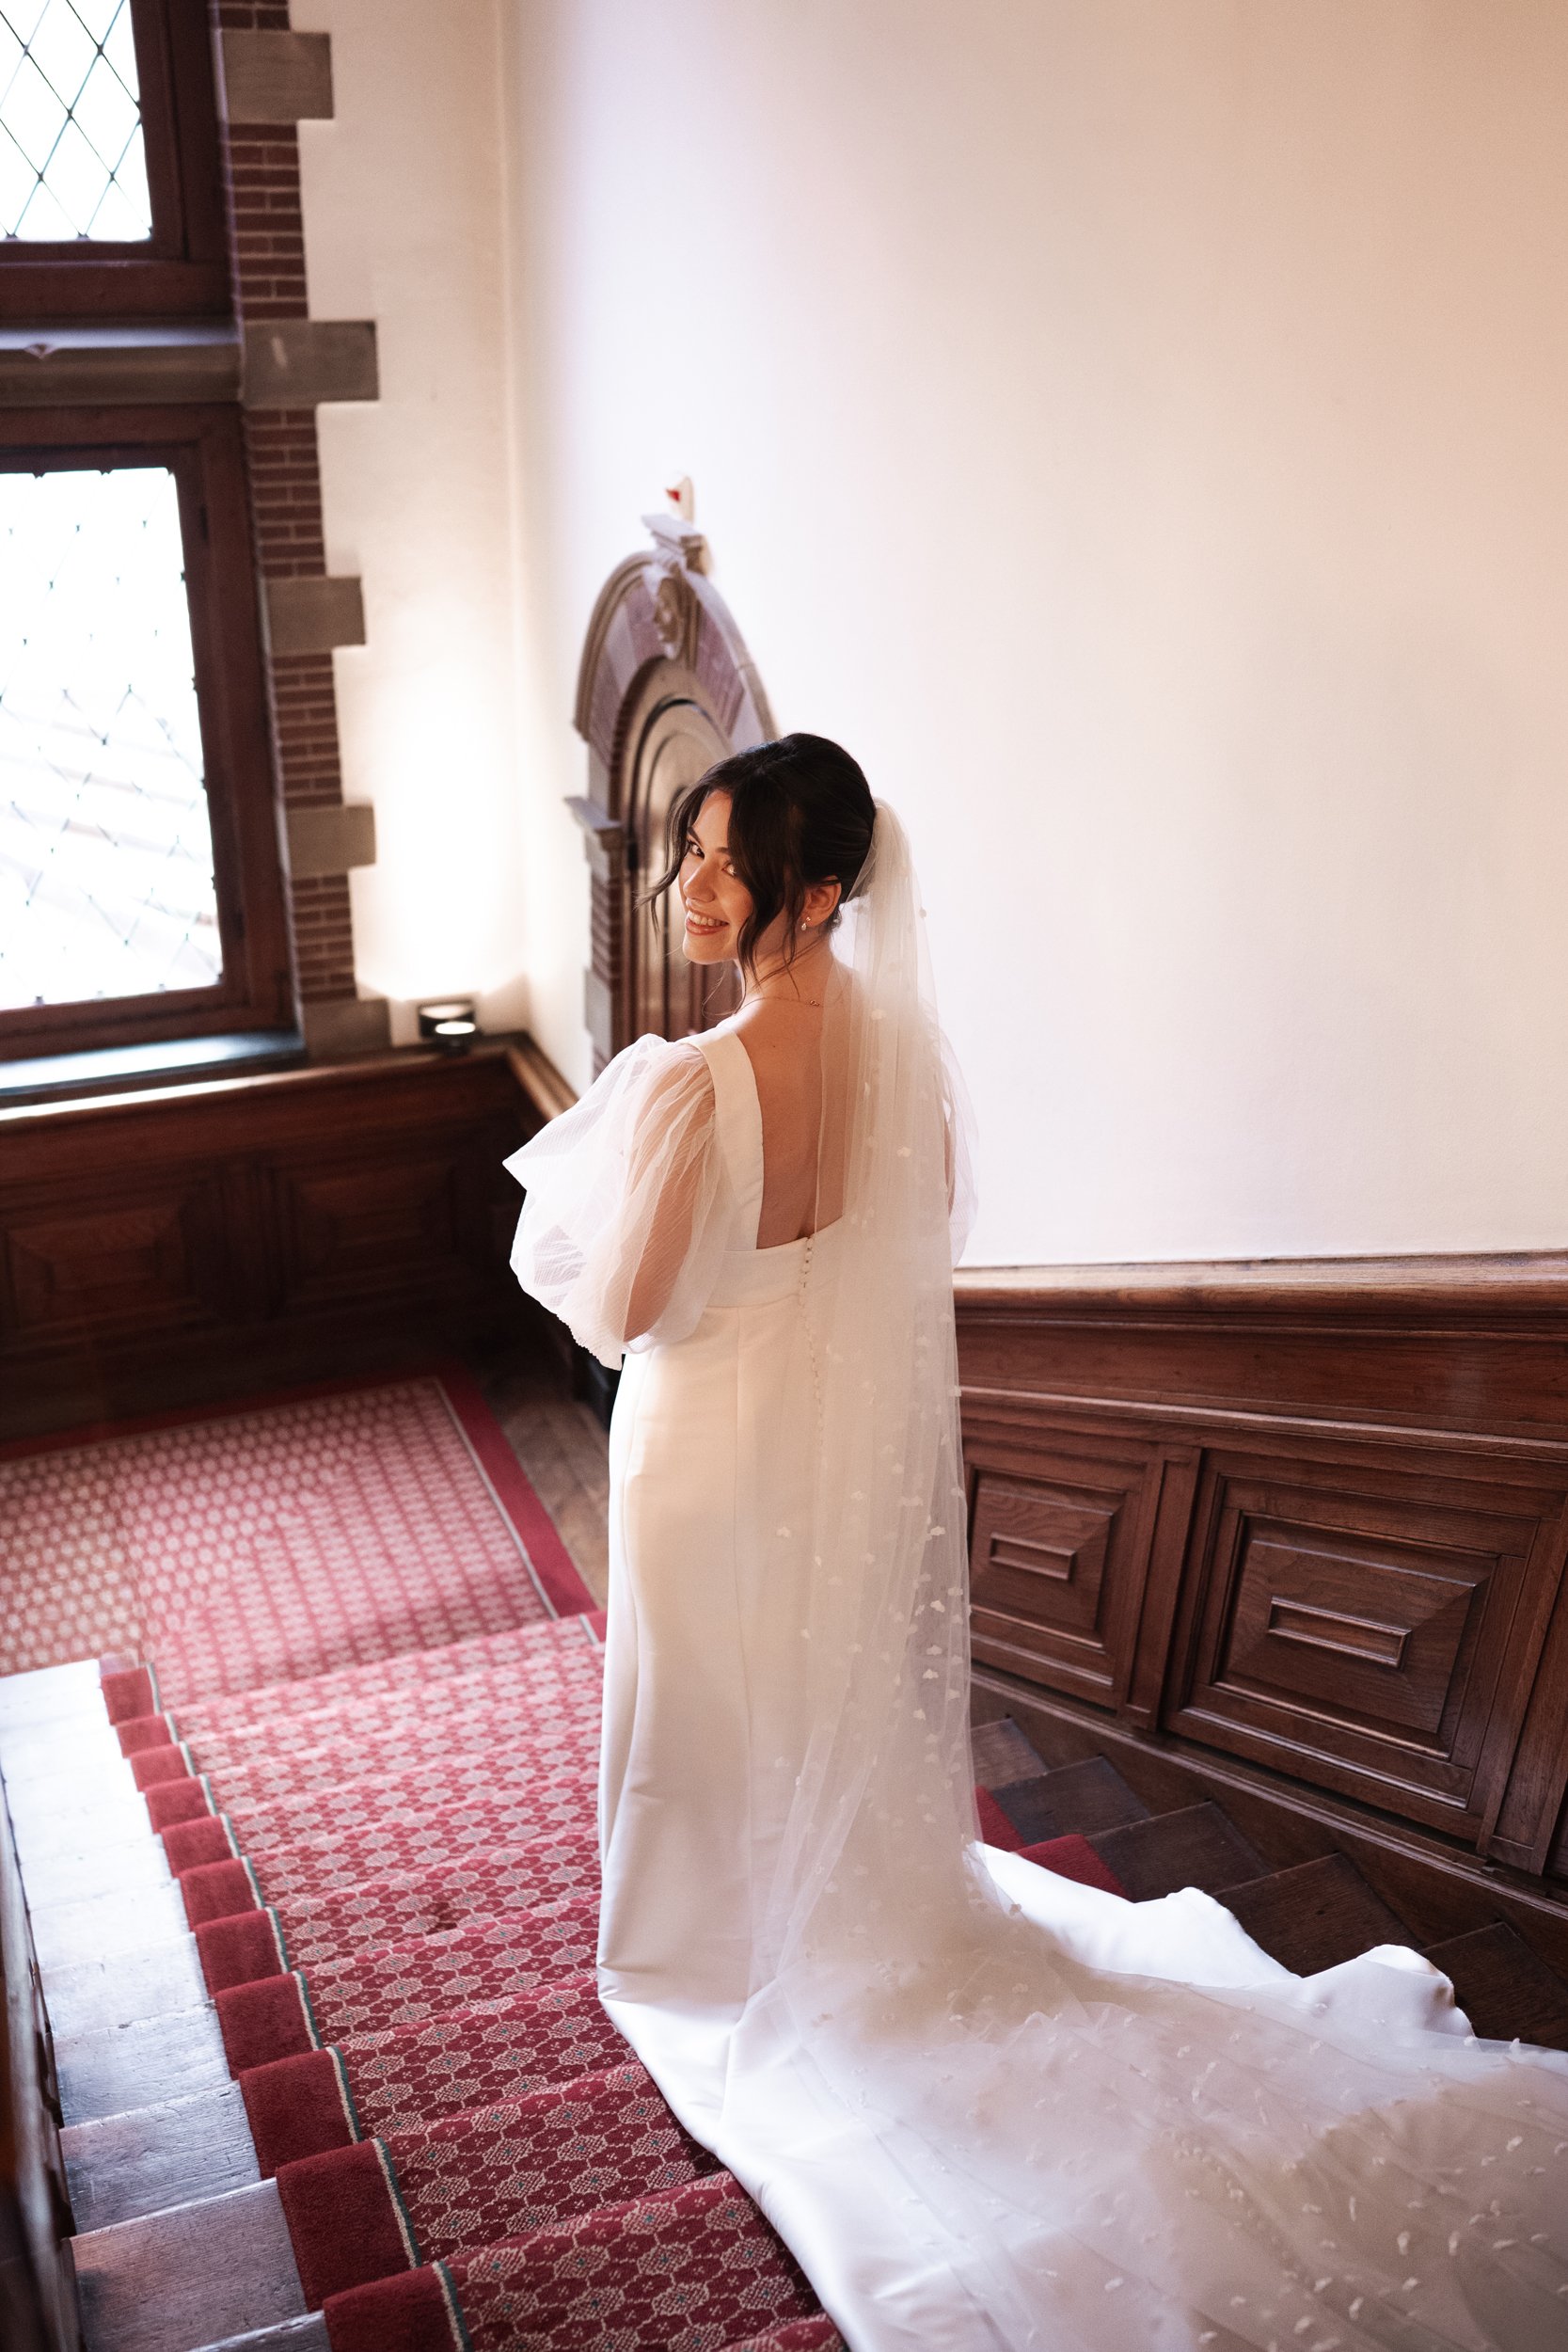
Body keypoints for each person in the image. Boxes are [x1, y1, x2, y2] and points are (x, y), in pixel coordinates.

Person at [506, 735, 1568, 2352]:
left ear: (825, 885)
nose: (694, 887)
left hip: (705, 1439)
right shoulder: (901, 1063)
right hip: (819, 1438)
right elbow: (903, 1241)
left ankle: (710, 1944)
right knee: (817, 1681)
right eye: (692, 852)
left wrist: (586, 1231)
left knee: (709, 1694)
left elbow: (632, 1308)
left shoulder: (687, 1079)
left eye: (728, 860)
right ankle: (834, 1916)